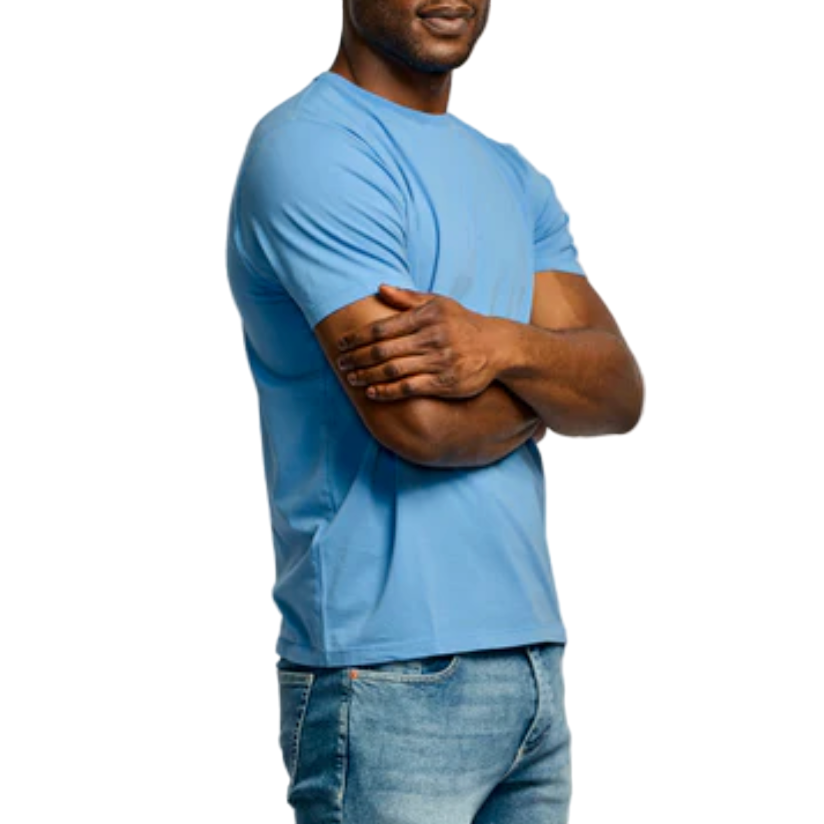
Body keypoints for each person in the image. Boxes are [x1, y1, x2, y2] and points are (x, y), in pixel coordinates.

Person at [226, 1, 643, 821]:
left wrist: (501, 346)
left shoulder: (511, 174)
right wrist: (549, 395)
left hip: (529, 661)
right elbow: (423, 426)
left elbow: (619, 390)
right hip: (385, 673)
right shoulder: (313, 149)